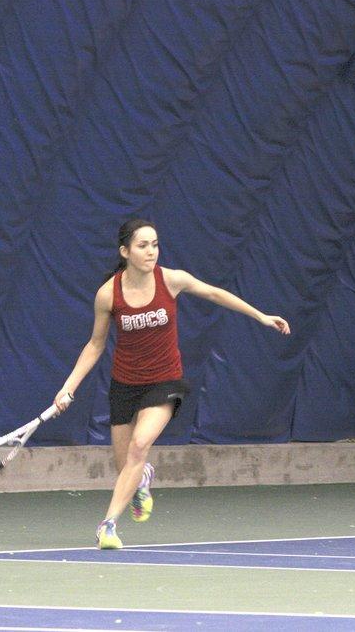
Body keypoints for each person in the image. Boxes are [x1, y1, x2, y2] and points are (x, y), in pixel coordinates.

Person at [54, 218, 290, 549]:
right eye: (142, 246)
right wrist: (68, 387)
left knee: (139, 446)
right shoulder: (108, 295)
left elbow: (213, 292)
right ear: (125, 252)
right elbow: (95, 345)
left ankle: (107, 526)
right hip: (124, 384)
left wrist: (261, 316)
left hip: (164, 381)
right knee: (126, 467)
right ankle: (143, 479)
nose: (151, 252)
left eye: (154, 244)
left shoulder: (172, 280)